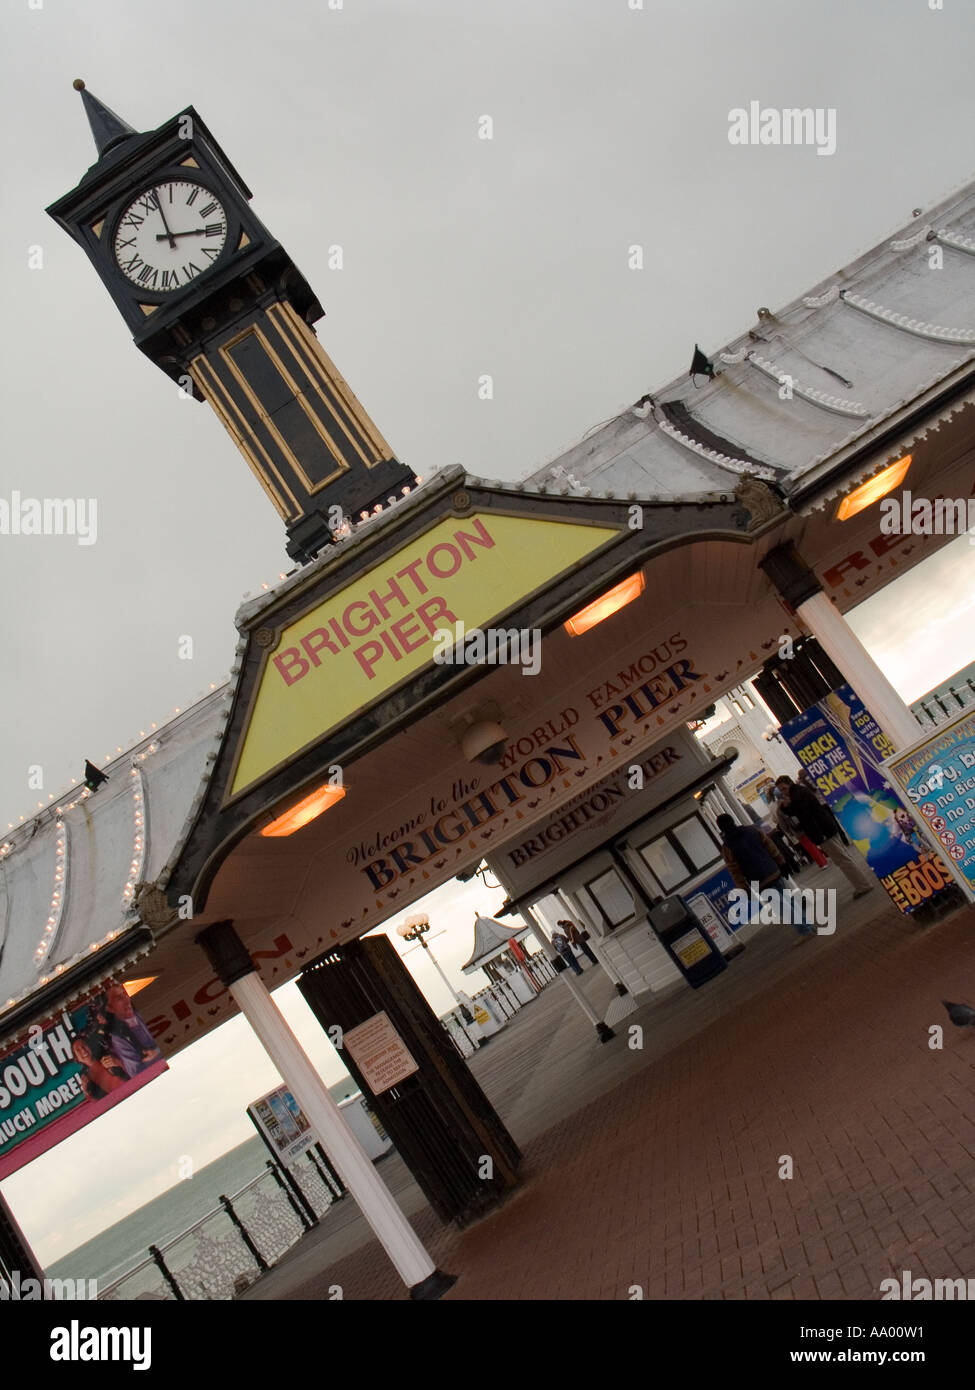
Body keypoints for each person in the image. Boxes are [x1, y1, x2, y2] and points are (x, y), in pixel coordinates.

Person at [716, 813, 815, 942]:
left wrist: (744, 888)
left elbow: (735, 871)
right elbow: (771, 847)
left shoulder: (727, 847)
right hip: (773, 871)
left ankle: (805, 931)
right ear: (733, 821)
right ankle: (808, 926)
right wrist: (782, 863)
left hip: (759, 881)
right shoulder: (753, 830)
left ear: (721, 829)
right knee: (788, 901)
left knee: (782, 908)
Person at [775, 775, 874, 897]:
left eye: (784, 788)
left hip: (823, 832)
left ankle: (863, 885)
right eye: (781, 790)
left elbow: (806, 816)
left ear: (789, 784)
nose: (783, 792)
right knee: (844, 857)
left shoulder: (797, 795)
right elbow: (799, 812)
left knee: (842, 860)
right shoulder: (799, 792)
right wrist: (786, 807)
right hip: (827, 829)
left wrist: (820, 836)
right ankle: (862, 883)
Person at [103, 983, 161, 1078]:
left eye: (125, 994)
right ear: (110, 1008)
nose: (126, 1000)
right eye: (119, 999)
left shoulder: (144, 1010)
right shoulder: (118, 1037)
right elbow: (138, 1074)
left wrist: (156, 1052)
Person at [797, 768, 850, 845]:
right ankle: (846, 837)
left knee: (832, 823)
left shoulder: (802, 785)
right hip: (827, 801)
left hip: (819, 806)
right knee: (838, 819)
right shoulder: (815, 778)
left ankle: (842, 839)